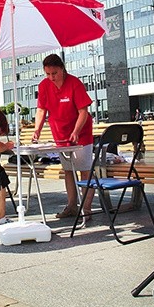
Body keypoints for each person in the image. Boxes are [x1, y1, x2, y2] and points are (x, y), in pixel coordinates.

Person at [32, 54, 95, 220]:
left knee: (84, 170)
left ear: (62, 69)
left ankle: (86, 209)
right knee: (68, 170)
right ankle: (72, 206)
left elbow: (83, 112)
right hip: (60, 134)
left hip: (81, 133)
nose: (51, 77)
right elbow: (41, 110)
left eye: (54, 73)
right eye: (48, 74)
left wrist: (76, 130)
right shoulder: (44, 85)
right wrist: (37, 129)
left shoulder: (74, 84)